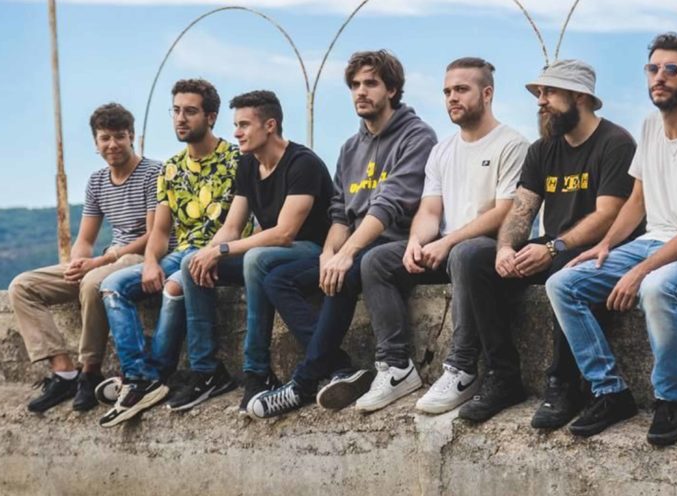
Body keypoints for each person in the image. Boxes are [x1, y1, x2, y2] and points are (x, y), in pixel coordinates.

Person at [546, 33, 677, 446]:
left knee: (654, 288)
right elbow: (637, 199)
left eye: (672, 70)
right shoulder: (650, 126)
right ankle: (610, 392)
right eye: (653, 68)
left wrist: (639, 272)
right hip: (654, 240)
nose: (659, 77)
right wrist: (605, 245)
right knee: (562, 283)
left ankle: (671, 399)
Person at [245, 50, 437, 419]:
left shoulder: (417, 136)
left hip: (395, 244)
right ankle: (339, 366)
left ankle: (302, 383)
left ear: (392, 90)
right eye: (354, 85)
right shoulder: (350, 147)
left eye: (371, 83)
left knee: (346, 274)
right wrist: (328, 253)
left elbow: (389, 204)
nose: (360, 92)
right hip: (355, 245)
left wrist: (345, 254)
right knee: (277, 279)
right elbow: (339, 213)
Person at [455, 59, 640, 424]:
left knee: (565, 268)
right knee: (474, 258)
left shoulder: (616, 143)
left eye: (550, 92)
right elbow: (522, 209)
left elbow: (608, 215)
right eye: (539, 93)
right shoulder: (542, 149)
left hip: (600, 249)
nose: (540, 101)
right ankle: (502, 377)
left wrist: (554, 248)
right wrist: (505, 248)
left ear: (580, 97)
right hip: (553, 245)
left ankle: (564, 384)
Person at [352, 57, 528, 413]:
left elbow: (504, 212)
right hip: (446, 247)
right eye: (447, 91)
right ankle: (396, 367)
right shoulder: (442, 150)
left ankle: (462, 368)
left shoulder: (512, 144)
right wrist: (416, 242)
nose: (452, 98)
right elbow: (430, 210)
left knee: (465, 253)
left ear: (487, 93)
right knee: (376, 261)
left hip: (487, 250)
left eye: (461, 89)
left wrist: (447, 242)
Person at [163, 90, 333, 412]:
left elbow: (284, 233)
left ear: (270, 125)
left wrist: (223, 250)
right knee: (190, 263)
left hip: (312, 252)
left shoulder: (302, 163)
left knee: (255, 258)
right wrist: (208, 253)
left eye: (244, 125)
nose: (236, 133)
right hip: (272, 252)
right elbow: (231, 226)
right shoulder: (248, 165)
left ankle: (257, 371)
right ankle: (207, 371)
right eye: (235, 125)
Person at [98, 79, 242, 427]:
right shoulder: (171, 168)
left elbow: (236, 224)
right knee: (113, 285)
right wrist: (150, 262)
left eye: (190, 111)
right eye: (176, 110)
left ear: (211, 116)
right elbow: (161, 232)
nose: (180, 118)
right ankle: (141, 375)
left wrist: (210, 253)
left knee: (176, 284)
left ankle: (157, 377)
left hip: (222, 252)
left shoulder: (236, 160)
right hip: (181, 252)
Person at [8, 103, 162, 413]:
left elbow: (154, 234)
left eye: (119, 136)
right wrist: (77, 263)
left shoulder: (153, 172)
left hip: (141, 257)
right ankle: (65, 372)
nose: (112, 144)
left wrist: (99, 263)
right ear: (95, 142)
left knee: (93, 283)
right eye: (105, 138)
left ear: (131, 136)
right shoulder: (97, 181)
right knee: (22, 286)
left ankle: (90, 373)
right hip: (107, 260)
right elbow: (85, 239)